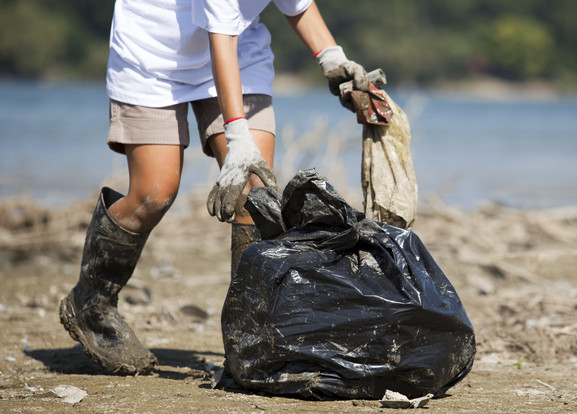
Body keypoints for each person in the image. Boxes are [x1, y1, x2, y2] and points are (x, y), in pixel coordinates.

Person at [59, 0, 372, 376]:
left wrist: (332, 58)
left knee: (257, 191)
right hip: (154, 54)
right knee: (153, 194)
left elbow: (297, 4)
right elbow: (218, 34)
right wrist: (237, 135)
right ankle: (91, 304)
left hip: (238, 50)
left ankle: (250, 342)